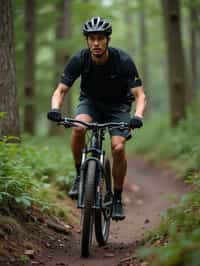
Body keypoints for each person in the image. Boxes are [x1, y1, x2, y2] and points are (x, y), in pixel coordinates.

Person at [47, 17, 147, 221]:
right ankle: (79, 176)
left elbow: (140, 95)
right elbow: (61, 90)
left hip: (118, 106)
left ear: (107, 40)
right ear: (87, 41)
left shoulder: (123, 61)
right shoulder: (80, 59)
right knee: (78, 128)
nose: (96, 43)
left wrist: (137, 115)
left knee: (118, 148)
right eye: (92, 38)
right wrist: (55, 109)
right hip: (90, 102)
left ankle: (117, 198)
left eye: (100, 38)